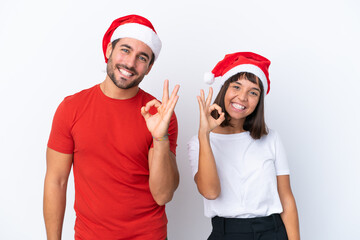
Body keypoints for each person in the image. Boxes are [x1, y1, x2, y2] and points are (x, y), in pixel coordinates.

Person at [43, 15, 180, 240]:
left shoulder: (160, 114)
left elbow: (163, 195)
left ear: (149, 67)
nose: (129, 63)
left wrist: (160, 137)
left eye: (141, 57)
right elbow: (56, 181)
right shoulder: (71, 108)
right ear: (108, 50)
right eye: (125, 50)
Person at [188, 52, 300, 240]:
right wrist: (204, 134)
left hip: (272, 232)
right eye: (236, 87)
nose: (242, 97)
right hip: (227, 233)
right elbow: (210, 192)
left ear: (259, 101)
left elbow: (286, 198)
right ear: (224, 88)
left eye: (253, 92)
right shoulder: (199, 142)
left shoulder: (270, 138)